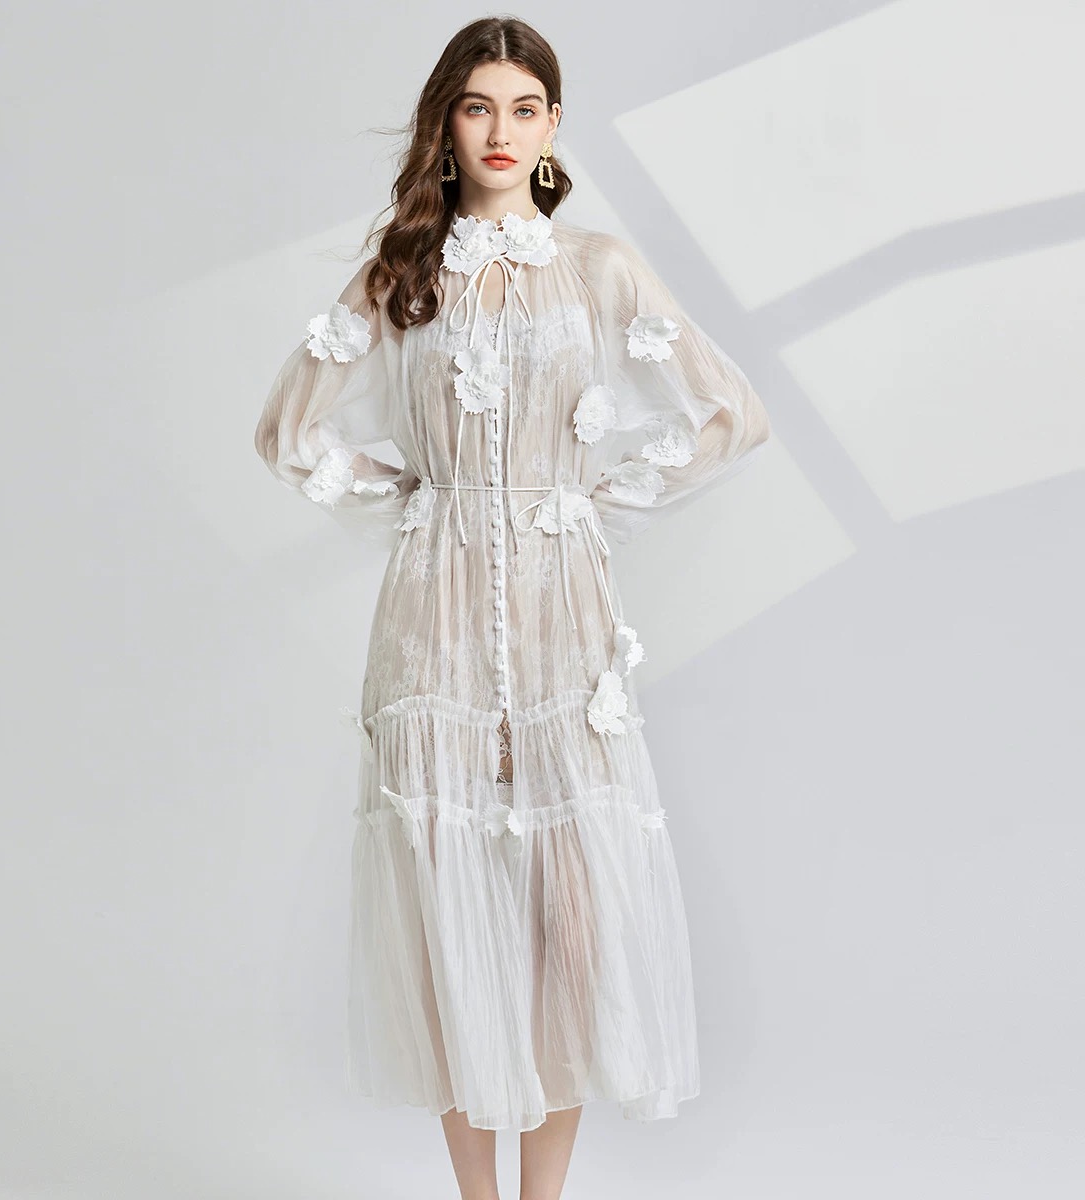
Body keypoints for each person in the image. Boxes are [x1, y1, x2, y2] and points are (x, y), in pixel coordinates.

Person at [253, 15, 771, 1200]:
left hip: (561, 616)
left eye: (524, 107)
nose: (501, 129)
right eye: (478, 105)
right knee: (445, 904)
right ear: (447, 123)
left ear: (552, 126)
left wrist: (593, 498)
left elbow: (728, 413)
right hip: (430, 621)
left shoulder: (598, 268)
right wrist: (416, 498)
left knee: (567, 911)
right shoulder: (402, 273)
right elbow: (287, 429)